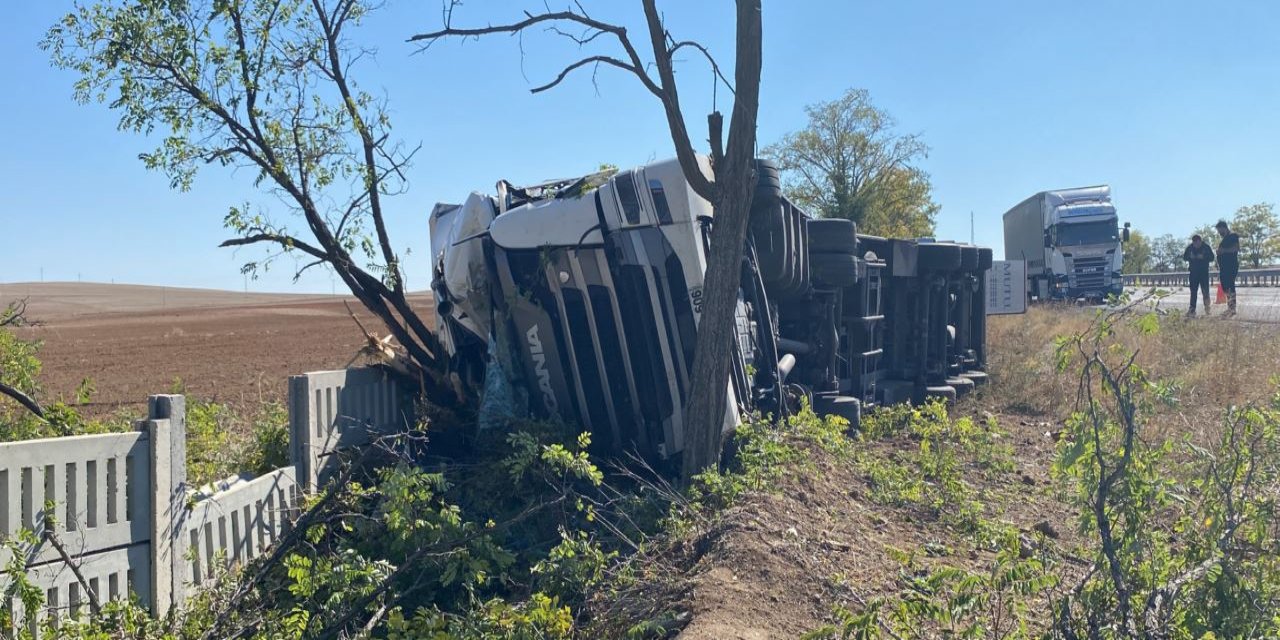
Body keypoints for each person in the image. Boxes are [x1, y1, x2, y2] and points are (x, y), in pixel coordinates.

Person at [1183, 234, 1214, 316]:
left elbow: (1212, 257)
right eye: (1194, 243)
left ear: (1200, 241)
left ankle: (1207, 309)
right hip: (1193, 273)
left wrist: (1203, 257)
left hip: (1204, 273)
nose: (1196, 245)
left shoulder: (1206, 247)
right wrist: (1190, 257)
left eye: (1197, 243)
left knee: (1205, 291)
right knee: (1193, 292)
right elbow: (1184, 257)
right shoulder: (1190, 247)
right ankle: (1192, 309)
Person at [1215, 219, 1241, 316]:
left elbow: (1236, 248)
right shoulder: (1224, 239)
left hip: (1231, 265)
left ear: (1224, 228)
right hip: (1223, 267)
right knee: (1225, 286)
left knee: (1230, 285)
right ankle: (1230, 306)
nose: (1219, 233)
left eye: (1219, 231)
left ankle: (1232, 308)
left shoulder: (1233, 236)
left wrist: (1223, 251)